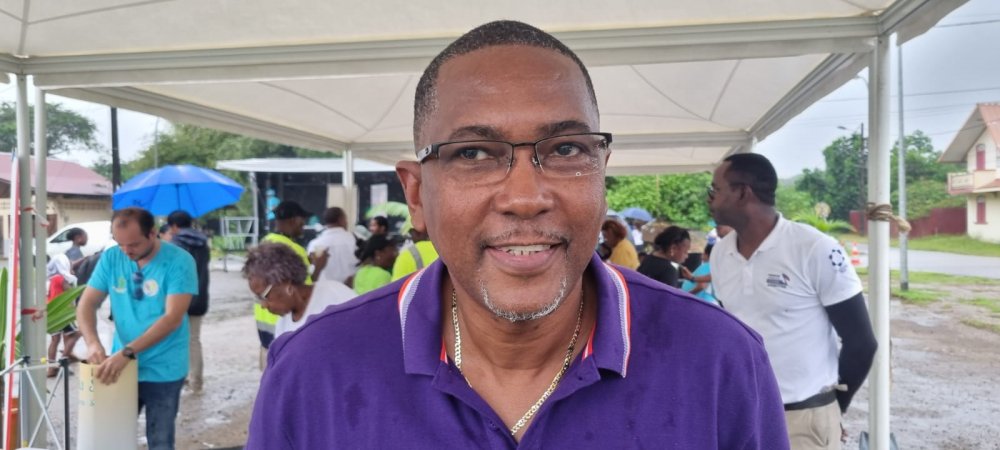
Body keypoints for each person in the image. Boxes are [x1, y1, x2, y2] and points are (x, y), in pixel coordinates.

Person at [246, 20, 787, 449]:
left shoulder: (721, 360)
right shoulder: (313, 371)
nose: (525, 197)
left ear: (601, 174)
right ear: (416, 196)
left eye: (567, 149)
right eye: (473, 153)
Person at [708, 153, 877, 449]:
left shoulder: (814, 248)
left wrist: (833, 407)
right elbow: (732, 333)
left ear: (742, 193)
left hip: (803, 419)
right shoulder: (721, 254)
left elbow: (861, 342)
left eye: (716, 189)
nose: (710, 198)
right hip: (743, 416)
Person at [76, 207, 197, 450]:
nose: (126, 251)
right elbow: (86, 304)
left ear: (152, 233)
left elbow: (172, 318)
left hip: (164, 367)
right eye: (119, 243)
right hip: (121, 365)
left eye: (133, 244)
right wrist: (92, 343)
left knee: (160, 440)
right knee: (112, 437)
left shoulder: (180, 261)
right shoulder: (111, 258)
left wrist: (128, 351)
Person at [255, 200, 324, 368]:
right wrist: (319, 266)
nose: (303, 226)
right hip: (286, 323)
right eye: (302, 221)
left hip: (263, 323)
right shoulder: (294, 250)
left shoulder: (264, 244)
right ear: (293, 220)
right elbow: (305, 294)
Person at [243, 243, 357, 337]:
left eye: (264, 296)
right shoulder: (283, 326)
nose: (263, 305)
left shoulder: (336, 296)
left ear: (287, 285)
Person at [166, 210, 211, 393]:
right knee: (194, 340)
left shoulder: (174, 245)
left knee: (175, 340)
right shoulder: (203, 243)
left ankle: (180, 378)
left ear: (174, 226)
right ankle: (196, 382)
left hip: (178, 298)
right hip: (199, 297)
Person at [46, 254, 80, 377]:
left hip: (51, 312)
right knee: (77, 334)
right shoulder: (62, 279)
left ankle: (52, 368)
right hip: (63, 313)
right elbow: (71, 293)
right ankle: (63, 360)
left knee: (55, 340)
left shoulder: (51, 279)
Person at [306, 207, 358, 284]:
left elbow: (311, 271)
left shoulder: (314, 244)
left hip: (323, 289)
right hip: (350, 289)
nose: (347, 222)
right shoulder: (354, 240)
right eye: (345, 219)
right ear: (341, 220)